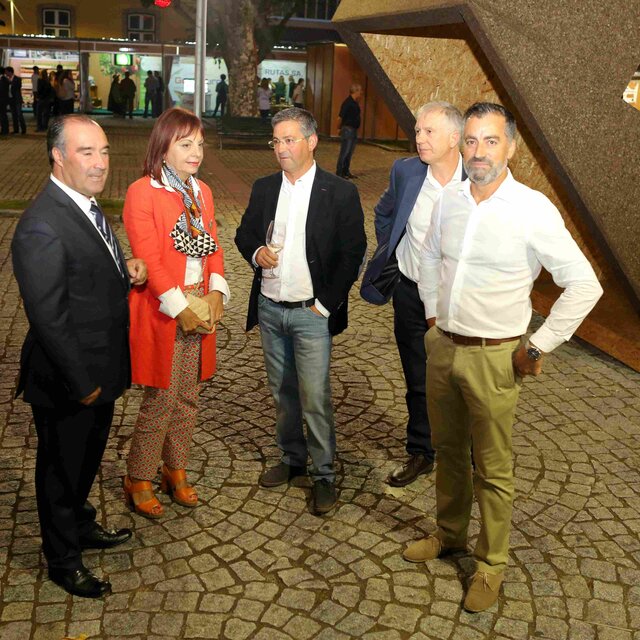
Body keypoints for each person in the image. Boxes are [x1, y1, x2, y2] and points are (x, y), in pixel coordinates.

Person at [405, 102, 603, 612]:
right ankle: (450, 534)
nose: (479, 152)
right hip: (444, 348)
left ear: (510, 148)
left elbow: (584, 284)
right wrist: (432, 317)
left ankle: (490, 564)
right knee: (448, 452)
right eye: (471, 140)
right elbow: (429, 256)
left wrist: (538, 344)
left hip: (495, 358)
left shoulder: (532, 209)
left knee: (492, 468)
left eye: (490, 141)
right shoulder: (449, 199)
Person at [11, 114, 148, 598]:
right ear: (58, 156)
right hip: (70, 378)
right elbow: (49, 318)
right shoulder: (41, 225)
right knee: (61, 470)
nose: (100, 163)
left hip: (101, 368)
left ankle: (82, 524)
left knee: (86, 460)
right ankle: (63, 561)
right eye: (86, 152)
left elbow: (86, 271)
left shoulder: (83, 204)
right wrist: (83, 383)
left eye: (104, 151)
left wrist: (124, 268)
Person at [235, 107, 367, 514]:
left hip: (312, 314)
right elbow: (243, 234)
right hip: (270, 308)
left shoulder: (339, 192)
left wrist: (325, 305)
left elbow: (353, 253)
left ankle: (324, 474)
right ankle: (292, 459)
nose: (281, 148)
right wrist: (257, 252)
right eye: (276, 141)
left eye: (289, 140)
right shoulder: (264, 188)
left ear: (311, 142)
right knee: (283, 393)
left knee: (315, 397)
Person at [122, 107, 229, 519]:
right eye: (186, 144)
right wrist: (180, 307)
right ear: (163, 147)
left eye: (200, 144)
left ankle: (175, 468)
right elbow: (149, 255)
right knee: (161, 397)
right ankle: (139, 476)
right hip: (163, 306)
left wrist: (216, 291)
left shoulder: (201, 192)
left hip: (199, 300)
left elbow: (213, 245)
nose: (196, 152)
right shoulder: (142, 191)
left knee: (188, 395)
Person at [368, 102, 465, 487]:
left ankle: (469, 456)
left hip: (457, 301)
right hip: (409, 293)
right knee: (417, 378)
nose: (419, 138)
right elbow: (384, 213)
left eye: (429, 132)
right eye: (418, 131)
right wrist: (392, 249)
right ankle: (422, 451)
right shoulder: (406, 171)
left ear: (454, 138)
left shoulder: (476, 178)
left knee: (465, 380)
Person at [336, 84, 362, 179]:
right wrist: (338, 128)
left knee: (349, 152)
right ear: (356, 91)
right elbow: (340, 117)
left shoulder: (354, 102)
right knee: (345, 152)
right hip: (348, 130)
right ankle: (339, 172)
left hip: (353, 130)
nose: (361, 93)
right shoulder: (348, 103)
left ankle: (346, 171)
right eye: (360, 91)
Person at [6, 66, 26, 134]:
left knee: (19, 114)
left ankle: (23, 129)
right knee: (14, 115)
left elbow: (18, 87)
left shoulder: (17, 79)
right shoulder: (6, 79)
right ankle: (16, 129)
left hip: (17, 99)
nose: (6, 73)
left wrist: (10, 82)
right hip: (11, 99)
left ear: (10, 72)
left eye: (6, 72)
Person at [0, 66, 8, 135]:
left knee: (2, 115)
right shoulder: (4, 79)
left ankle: (4, 130)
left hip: (2, 100)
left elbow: (2, 90)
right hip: (3, 100)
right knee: (3, 115)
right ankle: (4, 129)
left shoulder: (3, 79)